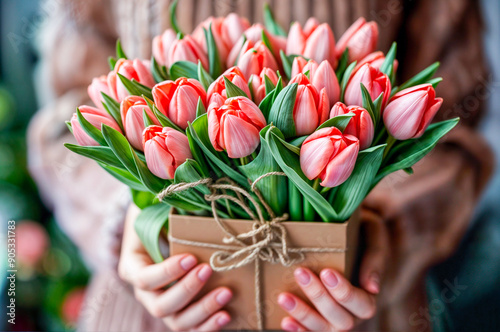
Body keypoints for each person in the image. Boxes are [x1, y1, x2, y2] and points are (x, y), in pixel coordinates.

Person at [28, 0, 493, 330]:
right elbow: (65, 119)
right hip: (154, 306)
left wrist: (383, 233)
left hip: (354, 305)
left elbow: (456, 133)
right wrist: (128, 223)